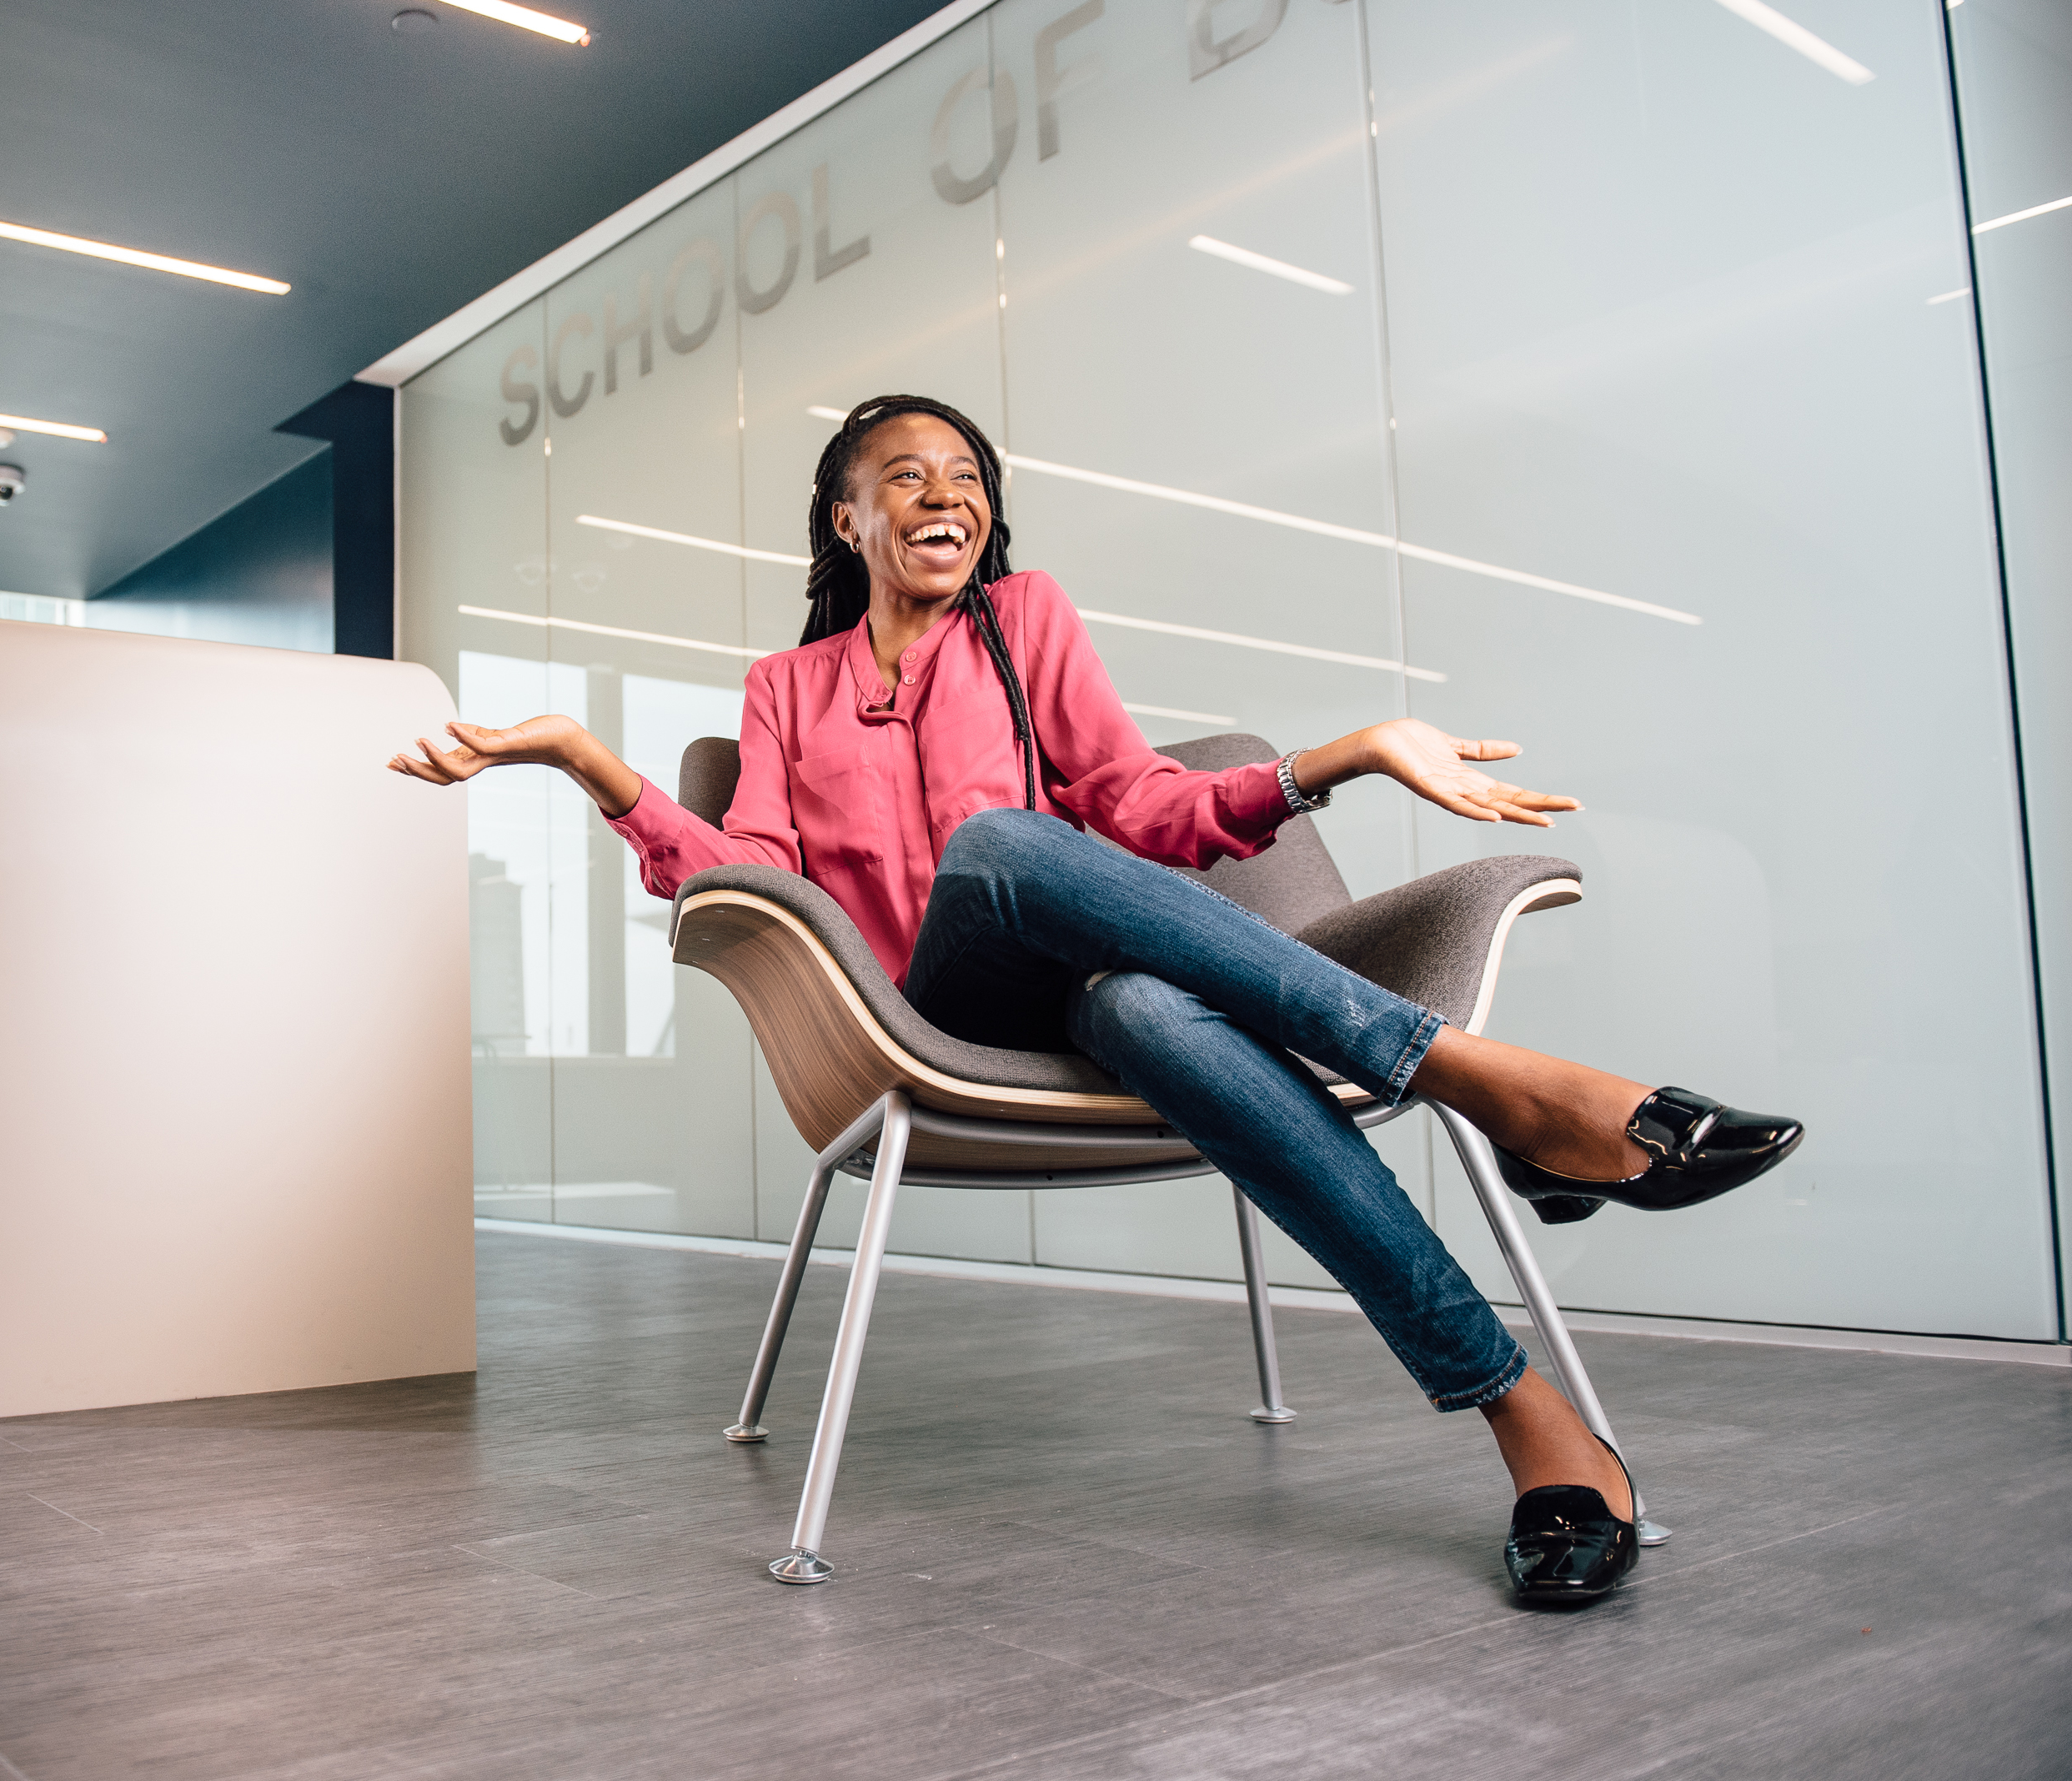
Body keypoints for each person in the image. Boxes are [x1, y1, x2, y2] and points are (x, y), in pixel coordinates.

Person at [390, 394, 1802, 1605]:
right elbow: (754, 869)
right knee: (1003, 847)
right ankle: (1482, 1083)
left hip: (1079, 1001)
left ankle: (1526, 1415)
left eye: (967, 479)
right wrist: (587, 760)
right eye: (906, 477)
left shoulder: (1025, 622)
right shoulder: (789, 688)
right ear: (844, 521)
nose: (946, 495)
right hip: (926, 1013)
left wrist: (1344, 757)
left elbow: (1137, 805)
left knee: (1144, 1005)